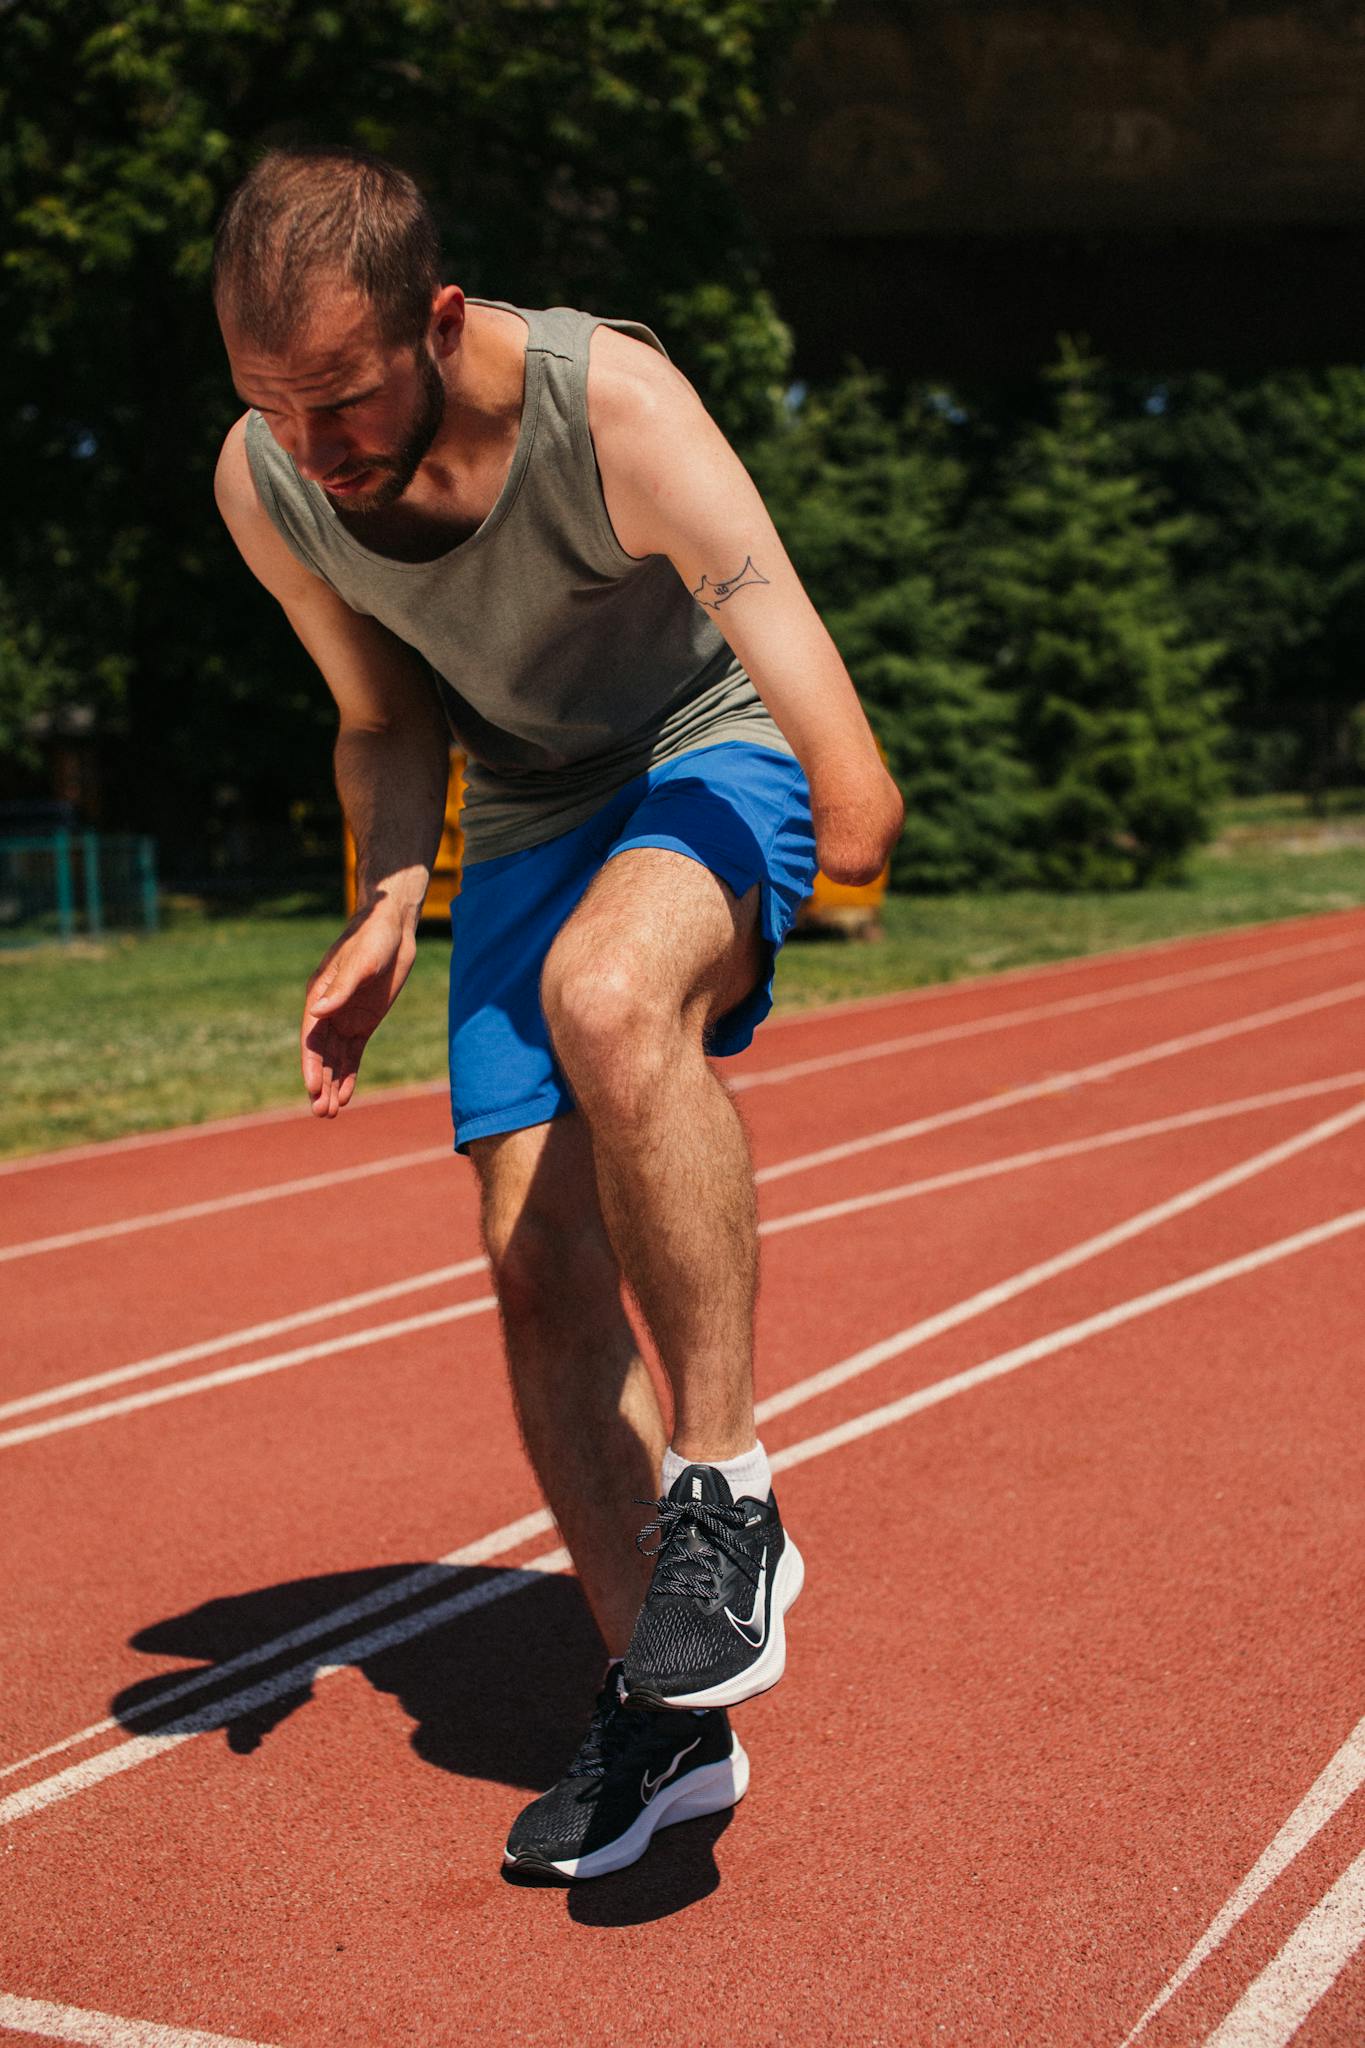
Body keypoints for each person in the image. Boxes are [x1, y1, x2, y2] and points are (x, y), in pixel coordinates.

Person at [211, 147, 903, 1881]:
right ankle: (661, 1726)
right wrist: (383, 903)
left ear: (437, 323)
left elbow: (829, 730)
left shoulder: (620, 410)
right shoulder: (269, 483)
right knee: (530, 1258)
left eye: (346, 401)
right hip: (522, 801)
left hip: (709, 735)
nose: (316, 451)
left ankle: (726, 1494)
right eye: (270, 409)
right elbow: (380, 717)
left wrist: (839, 826)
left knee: (611, 996)